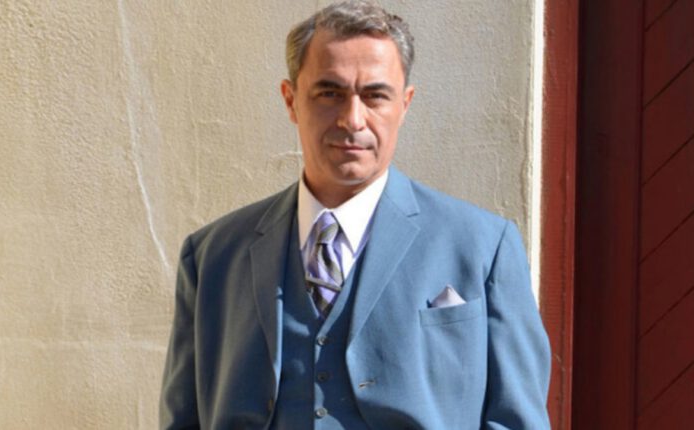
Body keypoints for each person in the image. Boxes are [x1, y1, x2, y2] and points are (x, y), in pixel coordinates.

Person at [159, 1, 551, 428]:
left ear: (405, 104)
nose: (352, 119)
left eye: (375, 96)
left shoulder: (482, 247)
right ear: (291, 100)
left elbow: (517, 420)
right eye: (330, 93)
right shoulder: (212, 257)